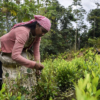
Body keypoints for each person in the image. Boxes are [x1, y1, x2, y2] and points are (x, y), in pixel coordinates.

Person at [0, 15, 51, 90]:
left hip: (11, 50)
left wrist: (38, 65)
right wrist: (34, 65)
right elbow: (15, 56)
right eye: (43, 31)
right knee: (1, 78)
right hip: (2, 48)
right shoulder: (23, 32)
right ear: (37, 25)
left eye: (45, 33)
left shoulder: (37, 36)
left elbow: (36, 51)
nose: (43, 34)